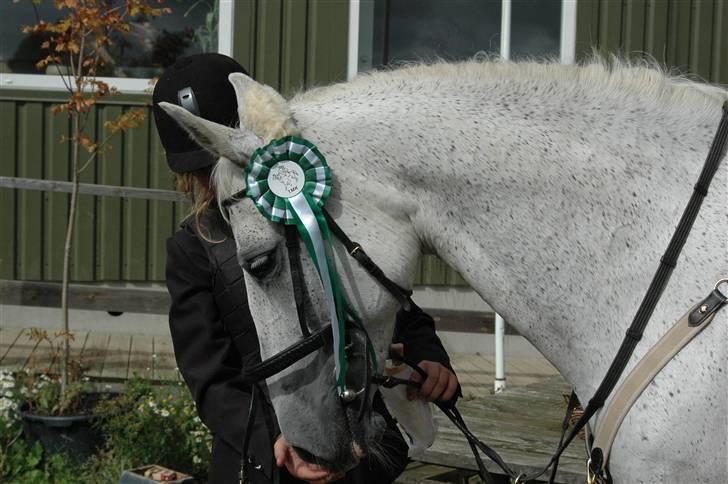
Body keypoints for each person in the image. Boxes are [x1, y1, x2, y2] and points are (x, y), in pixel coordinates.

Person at [153, 53, 460, 484]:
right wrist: (274, 439)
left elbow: (379, 293)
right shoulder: (192, 250)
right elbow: (210, 377)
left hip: (363, 443)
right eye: (209, 169)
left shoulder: (312, 205)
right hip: (268, 461)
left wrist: (429, 355)